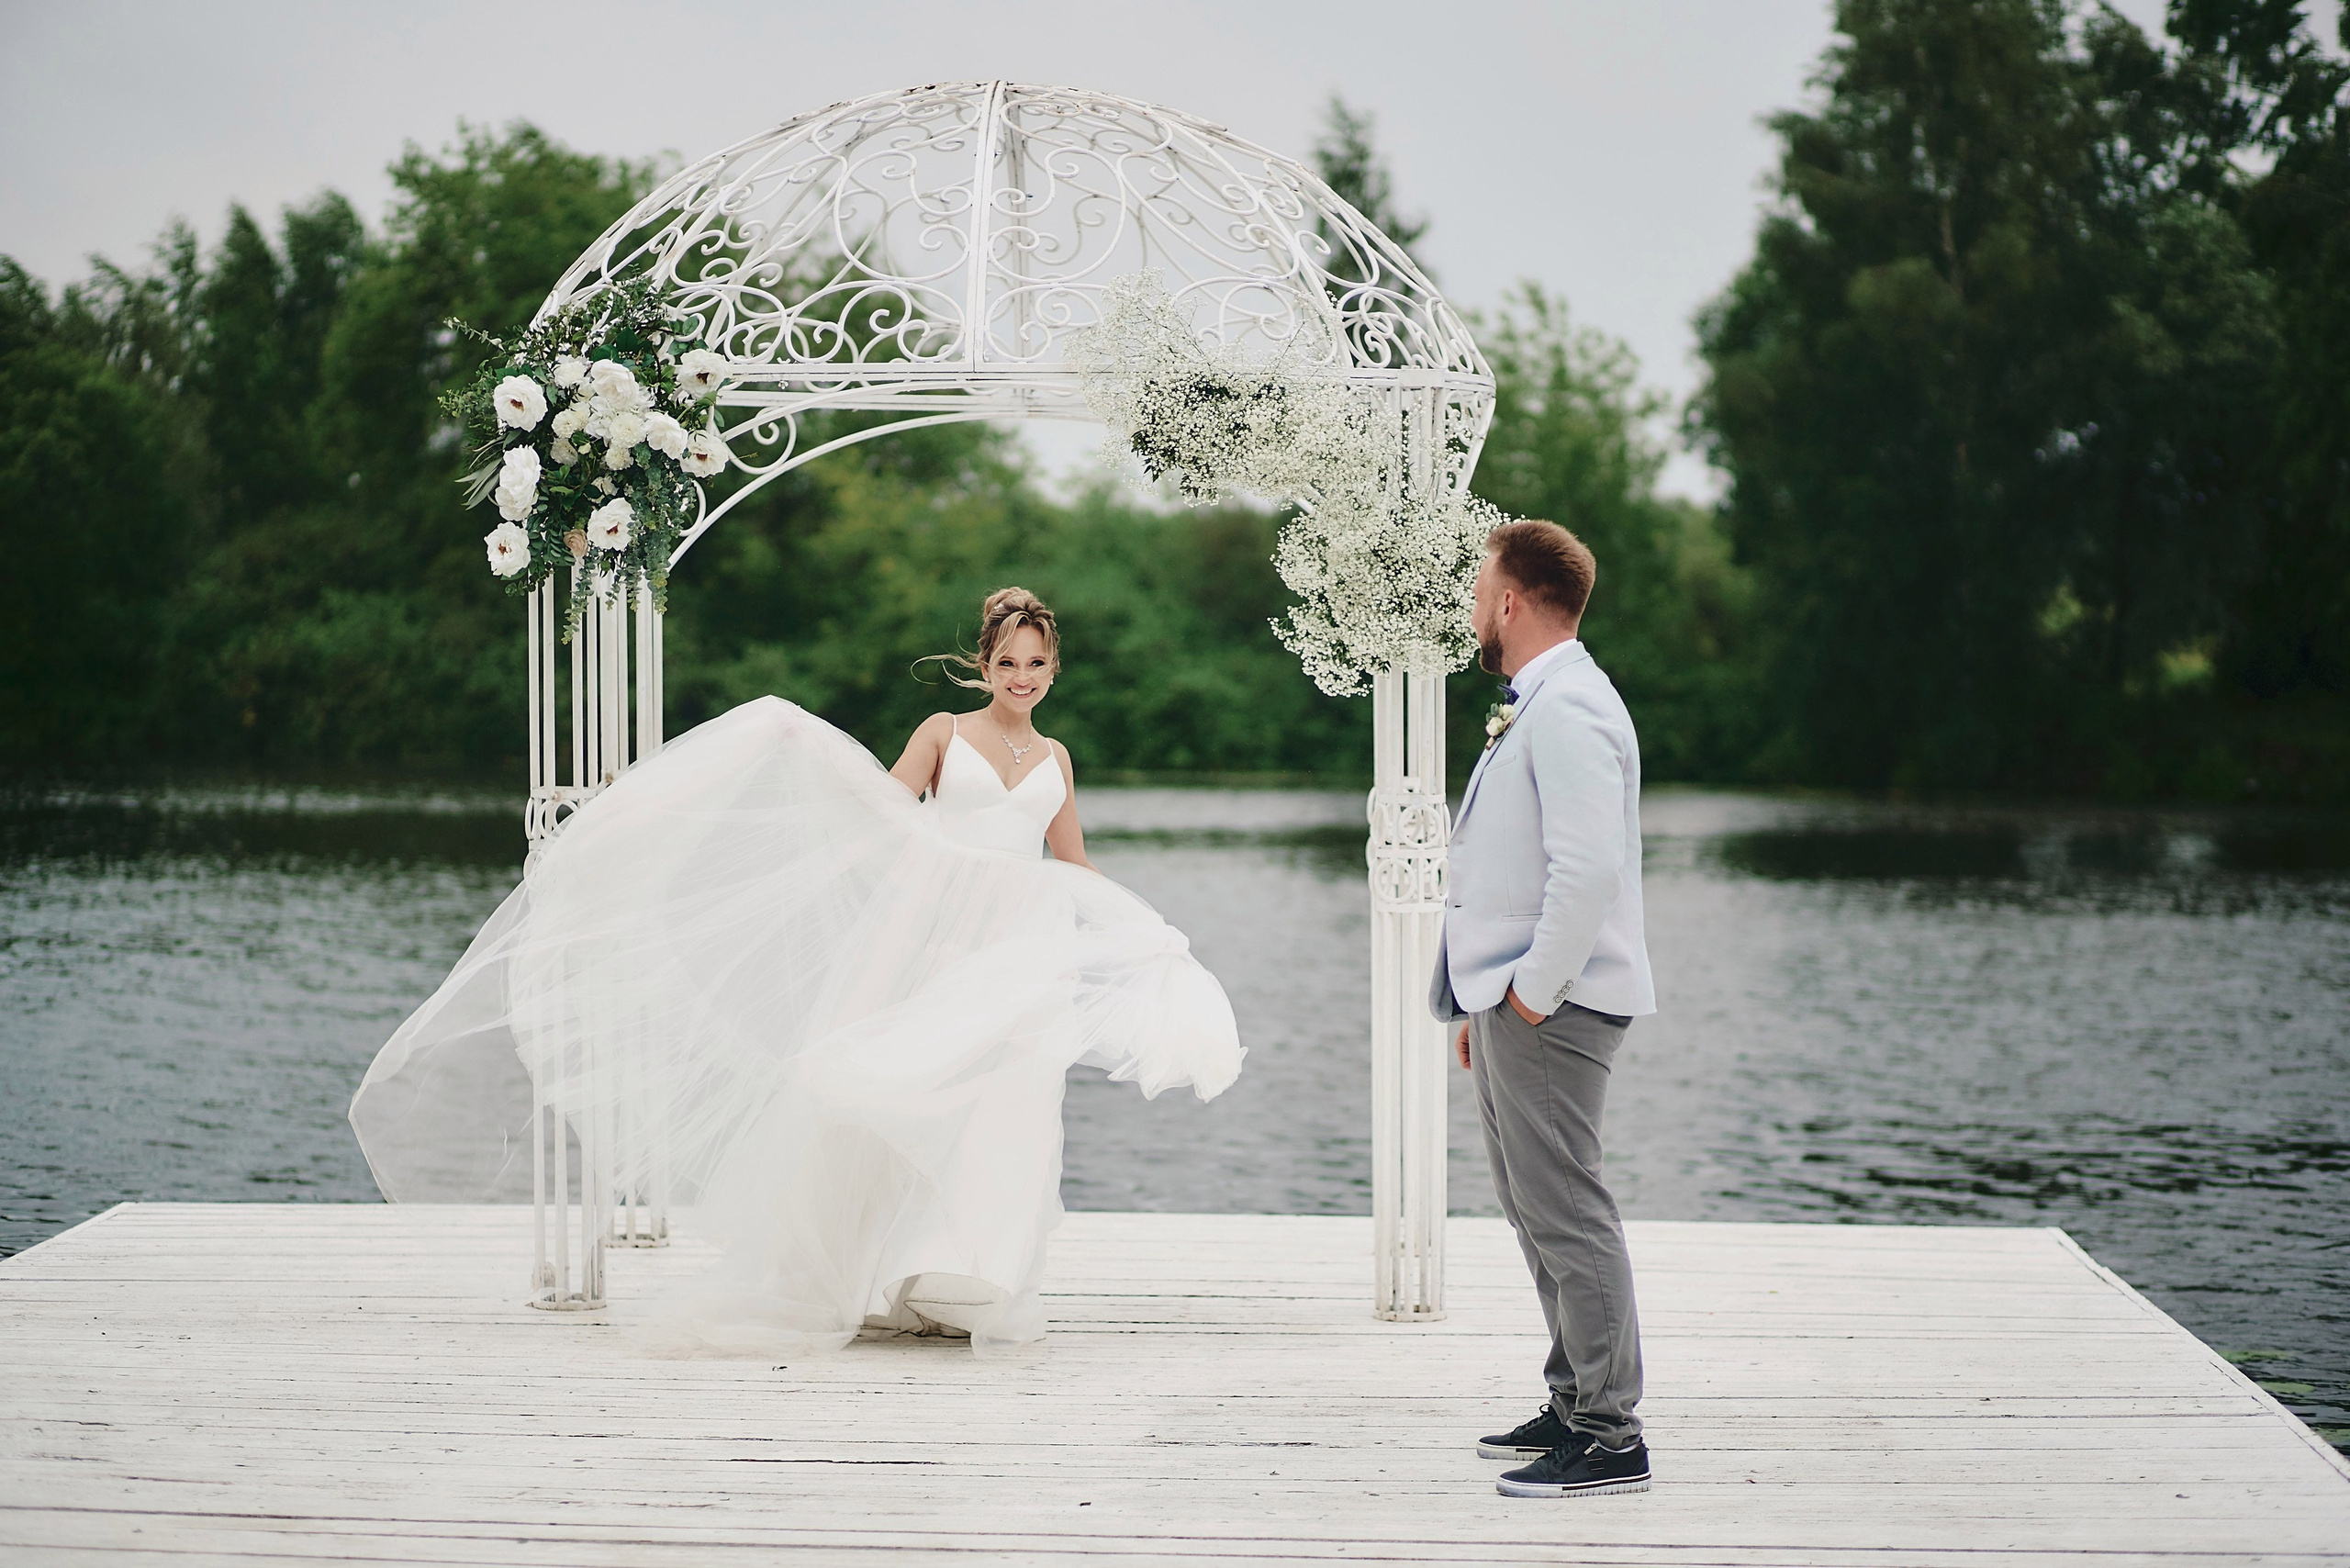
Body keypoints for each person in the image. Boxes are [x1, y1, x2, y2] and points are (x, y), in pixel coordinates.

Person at [350, 587, 1244, 1356]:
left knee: (1006, 1111)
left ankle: (968, 1282)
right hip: (938, 938)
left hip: (1020, 952)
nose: (1022, 676)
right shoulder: (943, 732)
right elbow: (886, 813)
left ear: (1054, 669)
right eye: (1007, 661)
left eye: (1036, 663)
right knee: (896, 1094)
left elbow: (1072, 862)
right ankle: (881, 1273)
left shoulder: (1056, 758)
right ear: (983, 664)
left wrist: (1141, 931)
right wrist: (805, 753)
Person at [1430, 521, 1657, 1499]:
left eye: (1480, 590)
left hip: (1553, 1004)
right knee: (1534, 1208)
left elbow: (1588, 871)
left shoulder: (1571, 706)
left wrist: (1527, 995)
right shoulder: (1542, 699)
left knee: (1567, 1209)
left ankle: (1609, 1434)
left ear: (1511, 600)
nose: (1473, 608)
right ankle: (1572, 1401)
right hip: (1512, 1001)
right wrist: (1483, 1001)